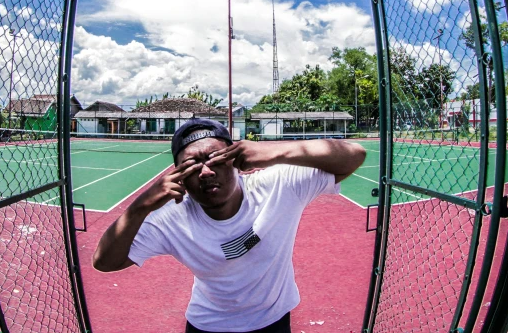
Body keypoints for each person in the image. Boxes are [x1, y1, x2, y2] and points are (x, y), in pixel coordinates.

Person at [93, 118, 366, 333]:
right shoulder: (171, 218)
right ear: (178, 178)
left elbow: (354, 155)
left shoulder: (277, 185)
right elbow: (104, 262)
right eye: (191, 166)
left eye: (216, 160)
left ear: (236, 161)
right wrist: (141, 205)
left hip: (274, 320)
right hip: (209, 325)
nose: (207, 172)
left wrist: (274, 151)